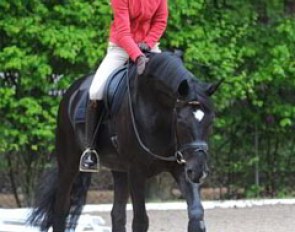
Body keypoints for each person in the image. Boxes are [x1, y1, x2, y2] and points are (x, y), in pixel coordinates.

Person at [80, 0, 169, 172]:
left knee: (168, 84)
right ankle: (90, 150)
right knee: (96, 90)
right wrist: (138, 56)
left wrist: (148, 44)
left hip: (149, 46)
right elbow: (122, 32)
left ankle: (176, 142)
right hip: (120, 48)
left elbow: (160, 22)